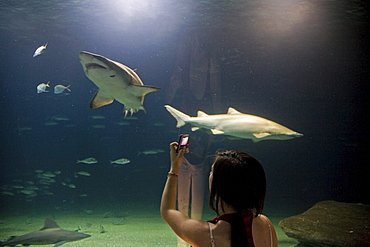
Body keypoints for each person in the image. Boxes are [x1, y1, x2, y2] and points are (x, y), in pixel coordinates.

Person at [161, 142, 278, 247]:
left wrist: (174, 168)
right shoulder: (265, 224)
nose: (209, 174)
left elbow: (167, 210)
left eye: (212, 171)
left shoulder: (205, 233)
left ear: (219, 185)